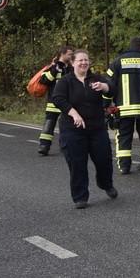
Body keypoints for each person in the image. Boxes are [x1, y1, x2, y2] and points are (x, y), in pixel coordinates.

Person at [51, 50, 118, 209]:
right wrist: (74, 114)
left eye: (86, 60)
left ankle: (105, 184)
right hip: (73, 130)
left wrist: (103, 87)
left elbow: (113, 89)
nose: (83, 63)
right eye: (80, 60)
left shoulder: (96, 79)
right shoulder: (66, 81)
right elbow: (58, 99)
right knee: (77, 163)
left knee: (104, 159)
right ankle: (80, 197)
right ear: (73, 63)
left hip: (96, 128)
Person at [106, 37, 140, 174]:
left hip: (124, 109)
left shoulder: (118, 62)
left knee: (124, 136)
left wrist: (106, 106)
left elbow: (108, 86)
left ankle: (124, 167)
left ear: (130, 47)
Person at [37, 45, 74, 155]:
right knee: (48, 126)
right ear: (63, 55)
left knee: (66, 127)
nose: (71, 56)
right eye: (69, 54)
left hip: (67, 104)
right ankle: (44, 146)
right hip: (53, 103)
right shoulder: (53, 66)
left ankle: (64, 147)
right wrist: (54, 70)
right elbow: (43, 80)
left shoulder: (72, 67)